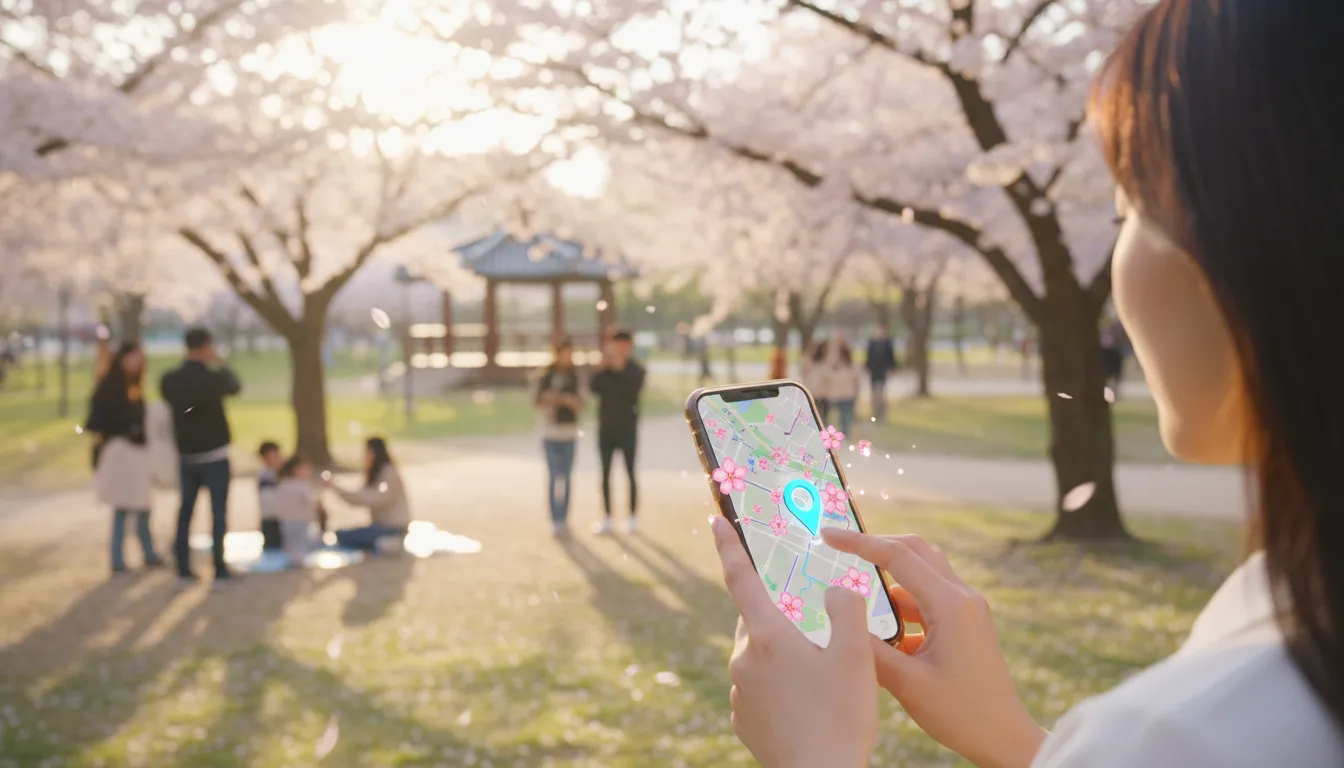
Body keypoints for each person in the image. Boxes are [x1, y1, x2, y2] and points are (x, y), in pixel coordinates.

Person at [709, 2, 1344, 766]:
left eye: (1127, 209)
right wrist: (1013, 740)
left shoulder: (1187, 731)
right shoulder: (1288, 625)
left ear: (1251, 238)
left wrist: (818, 757)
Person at [160, 328, 242, 584]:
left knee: (185, 511)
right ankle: (219, 567)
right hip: (214, 455)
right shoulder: (213, 378)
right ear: (207, 346)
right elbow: (235, 386)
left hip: (187, 455)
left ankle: (182, 568)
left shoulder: (170, 379)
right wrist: (222, 363)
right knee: (218, 513)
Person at [85, 342, 164, 575]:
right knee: (123, 506)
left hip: (137, 453)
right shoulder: (110, 387)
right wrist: (125, 428)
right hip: (121, 452)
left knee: (142, 505)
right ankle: (118, 559)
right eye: (133, 357)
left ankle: (147, 552)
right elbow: (97, 423)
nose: (136, 363)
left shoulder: (133, 386)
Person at [590, 329, 646, 534]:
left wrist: (619, 367)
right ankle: (607, 517)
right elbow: (594, 388)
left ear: (629, 346)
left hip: (628, 429)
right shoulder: (604, 370)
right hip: (606, 429)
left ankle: (631, 516)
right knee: (605, 474)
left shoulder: (636, 370)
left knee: (630, 473)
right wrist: (601, 368)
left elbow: (633, 390)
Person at [324, 437, 410, 550]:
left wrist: (336, 487)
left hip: (392, 528)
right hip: (378, 526)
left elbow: (375, 498)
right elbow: (359, 496)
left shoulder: (389, 473)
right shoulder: (375, 473)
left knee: (344, 537)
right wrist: (335, 487)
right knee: (342, 535)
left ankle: (385, 544)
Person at [535, 339, 584, 537]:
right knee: (554, 475)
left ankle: (564, 517)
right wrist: (550, 398)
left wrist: (567, 400)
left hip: (569, 432)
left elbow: (581, 404)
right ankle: (555, 518)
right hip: (550, 432)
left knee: (567, 476)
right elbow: (536, 402)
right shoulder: (545, 376)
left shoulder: (575, 377)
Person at [272, 454, 321, 567]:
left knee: (292, 547)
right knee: (301, 549)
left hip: (285, 524)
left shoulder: (282, 484)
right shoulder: (302, 487)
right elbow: (312, 505)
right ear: (297, 469)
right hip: (300, 524)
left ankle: (295, 556)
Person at [818, 332, 861, 437]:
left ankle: (845, 439)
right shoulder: (833, 359)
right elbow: (826, 372)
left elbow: (855, 376)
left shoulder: (849, 360)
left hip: (847, 394)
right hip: (836, 395)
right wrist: (835, 348)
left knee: (846, 420)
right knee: (834, 420)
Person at [864, 326, 899, 422]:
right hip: (874, 372)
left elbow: (891, 358)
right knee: (874, 394)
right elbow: (868, 357)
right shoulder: (872, 343)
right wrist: (867, 367)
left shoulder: (888, 344)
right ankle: (875, 414)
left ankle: (881, 415)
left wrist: (890, 369)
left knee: (880, 394)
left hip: (882, 372)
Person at [257, 441, 284, 552]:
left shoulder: (283, 473)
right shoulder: (264, 475)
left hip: (282, 516)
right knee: (271, 545)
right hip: (270, 517)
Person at [803, 339, 831, 424]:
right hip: (814, 393)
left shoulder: (825, 362)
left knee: (823, 418)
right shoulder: (811, 362)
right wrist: (811, 348)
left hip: (825, 394)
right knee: (815, 418)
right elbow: (804, 369)